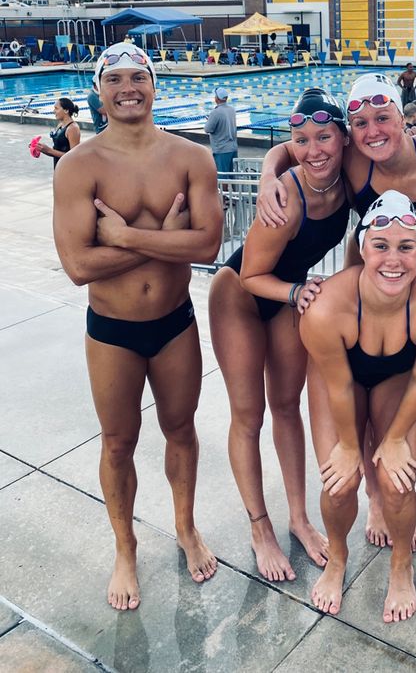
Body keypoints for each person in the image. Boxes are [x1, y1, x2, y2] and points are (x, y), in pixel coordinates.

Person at [256, 72, 416, 548]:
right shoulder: (355, 158)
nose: (372, 131)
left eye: (383, 119)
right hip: (379, 292)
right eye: (360, 123)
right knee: (379, 413)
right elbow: (297, 148)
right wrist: (268, 175)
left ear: (405, 118)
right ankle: (379, 502)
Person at [52, 42, 223, 611]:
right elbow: (78, 267)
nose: (129, 87)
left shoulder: (191, 158)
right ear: (99, 92)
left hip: (175, 324)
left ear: (154, 85)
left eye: (139, 77)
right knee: (118, 441)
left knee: (181, 430)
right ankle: (124, 549)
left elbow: (209, 244)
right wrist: (166, 244)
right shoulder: (78, 166)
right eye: (115, 79)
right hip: (113, 331)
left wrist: (123, 237)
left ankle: (185, 527)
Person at [207, 89, 351, 582]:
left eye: (324, 137)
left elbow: (282, 152)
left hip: (288, 292)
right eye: (302, 140)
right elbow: (249, 274)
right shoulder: (287, 199)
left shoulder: (349, 180)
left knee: (288, 407)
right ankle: (260, 526)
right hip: (242, 294)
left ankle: (298, 517)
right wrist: (295, 293)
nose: (313, 150)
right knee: (250, 415)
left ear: (343, 138)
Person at [300, 192, 416, 621]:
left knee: (396, 482)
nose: (394, 260)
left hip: (398, 378)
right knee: (338, 482)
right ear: (361, 247)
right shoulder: (324, 309)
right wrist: (351, 448)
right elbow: (337, 387)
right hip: (339, 380)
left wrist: (392, 439)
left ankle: (401, 566)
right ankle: (337, 559)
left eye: (406, 247)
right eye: (381, 246)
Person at [37, 97, 81, 167]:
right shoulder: (60, 125)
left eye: (56, 108)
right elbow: (56, 151)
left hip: (69, 170)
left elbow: (74, 156)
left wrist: (49, 150)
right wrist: (41, 149)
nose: (53, 111)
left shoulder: (72, 128)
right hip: (58, 167)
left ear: (66, 110)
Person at [204, 86, 238, 174]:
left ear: (217, 98)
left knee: (223, 175)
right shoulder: (232, 110)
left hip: (222, 149)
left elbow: (207, 129)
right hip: (233, 147)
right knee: (233, 175)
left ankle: (224, 189)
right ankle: (235, 188)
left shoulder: (216, 112)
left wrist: (209, 120)